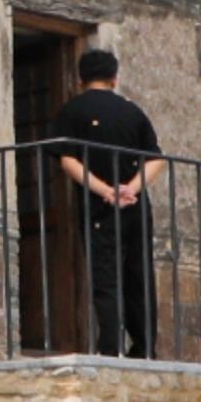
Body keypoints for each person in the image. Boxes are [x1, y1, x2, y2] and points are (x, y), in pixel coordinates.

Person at [47, 51, 161, 357]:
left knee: (106, 276)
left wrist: (106, 191)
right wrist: (130, 189)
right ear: (114, 78)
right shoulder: (132, 112)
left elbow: (68, 161)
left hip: (99, 207)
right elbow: (155, 160)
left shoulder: (72, 111)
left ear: (79, 80)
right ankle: (144, 347)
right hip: (136, 206)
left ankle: (110, 348)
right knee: (139, 274)